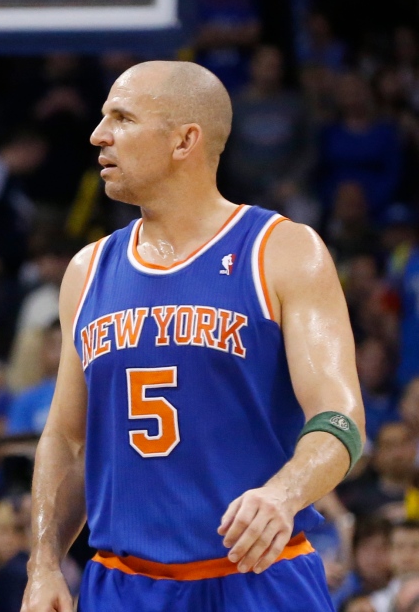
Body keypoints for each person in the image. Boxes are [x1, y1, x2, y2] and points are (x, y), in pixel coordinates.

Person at [21, 61, 365, 611]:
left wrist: (284, 492)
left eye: (122, 118)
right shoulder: (87, 270)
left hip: (259, 576)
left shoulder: (281, 250)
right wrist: (42, 564)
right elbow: (67, 440)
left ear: (185, 140)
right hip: (125, 586)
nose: (98, 135)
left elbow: (340, 419)